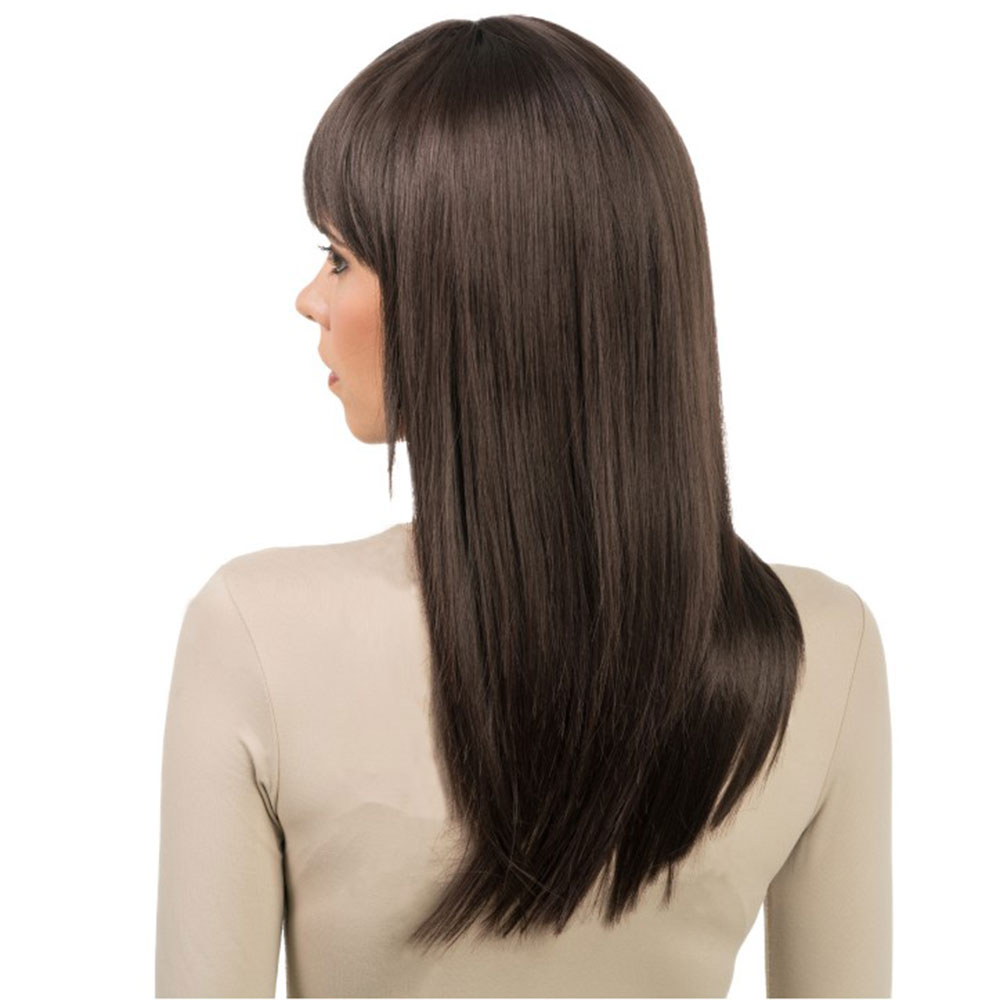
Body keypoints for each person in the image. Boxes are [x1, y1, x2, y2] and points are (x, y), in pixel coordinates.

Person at [155, 15, 892, 998]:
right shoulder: (822, 646)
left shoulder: (254, 629)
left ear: (466, 292)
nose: (309, 299)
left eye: (339, 257)